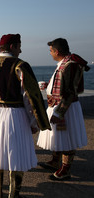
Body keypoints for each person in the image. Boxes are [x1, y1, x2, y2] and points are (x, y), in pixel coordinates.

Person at [0, 34, 51, 197]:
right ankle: (13, 194)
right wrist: (35, 122)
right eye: (19, 46)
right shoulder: (21, 65)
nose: (21, 49)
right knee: (16, 154)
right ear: (12, 46)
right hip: (15, 115)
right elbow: (30, 97)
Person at [37, 38, 89, 180]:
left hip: (65, 109)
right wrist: (48, 85)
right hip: (58, 106)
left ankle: (65, 169)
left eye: (51, 51)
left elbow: (70, 92)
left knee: (67, 138)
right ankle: (55, 162)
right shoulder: (64, 63)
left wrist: (60, 113)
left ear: (57, 51)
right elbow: (62, 84)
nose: (50, 54)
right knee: (59, 136)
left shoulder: (70, 65)